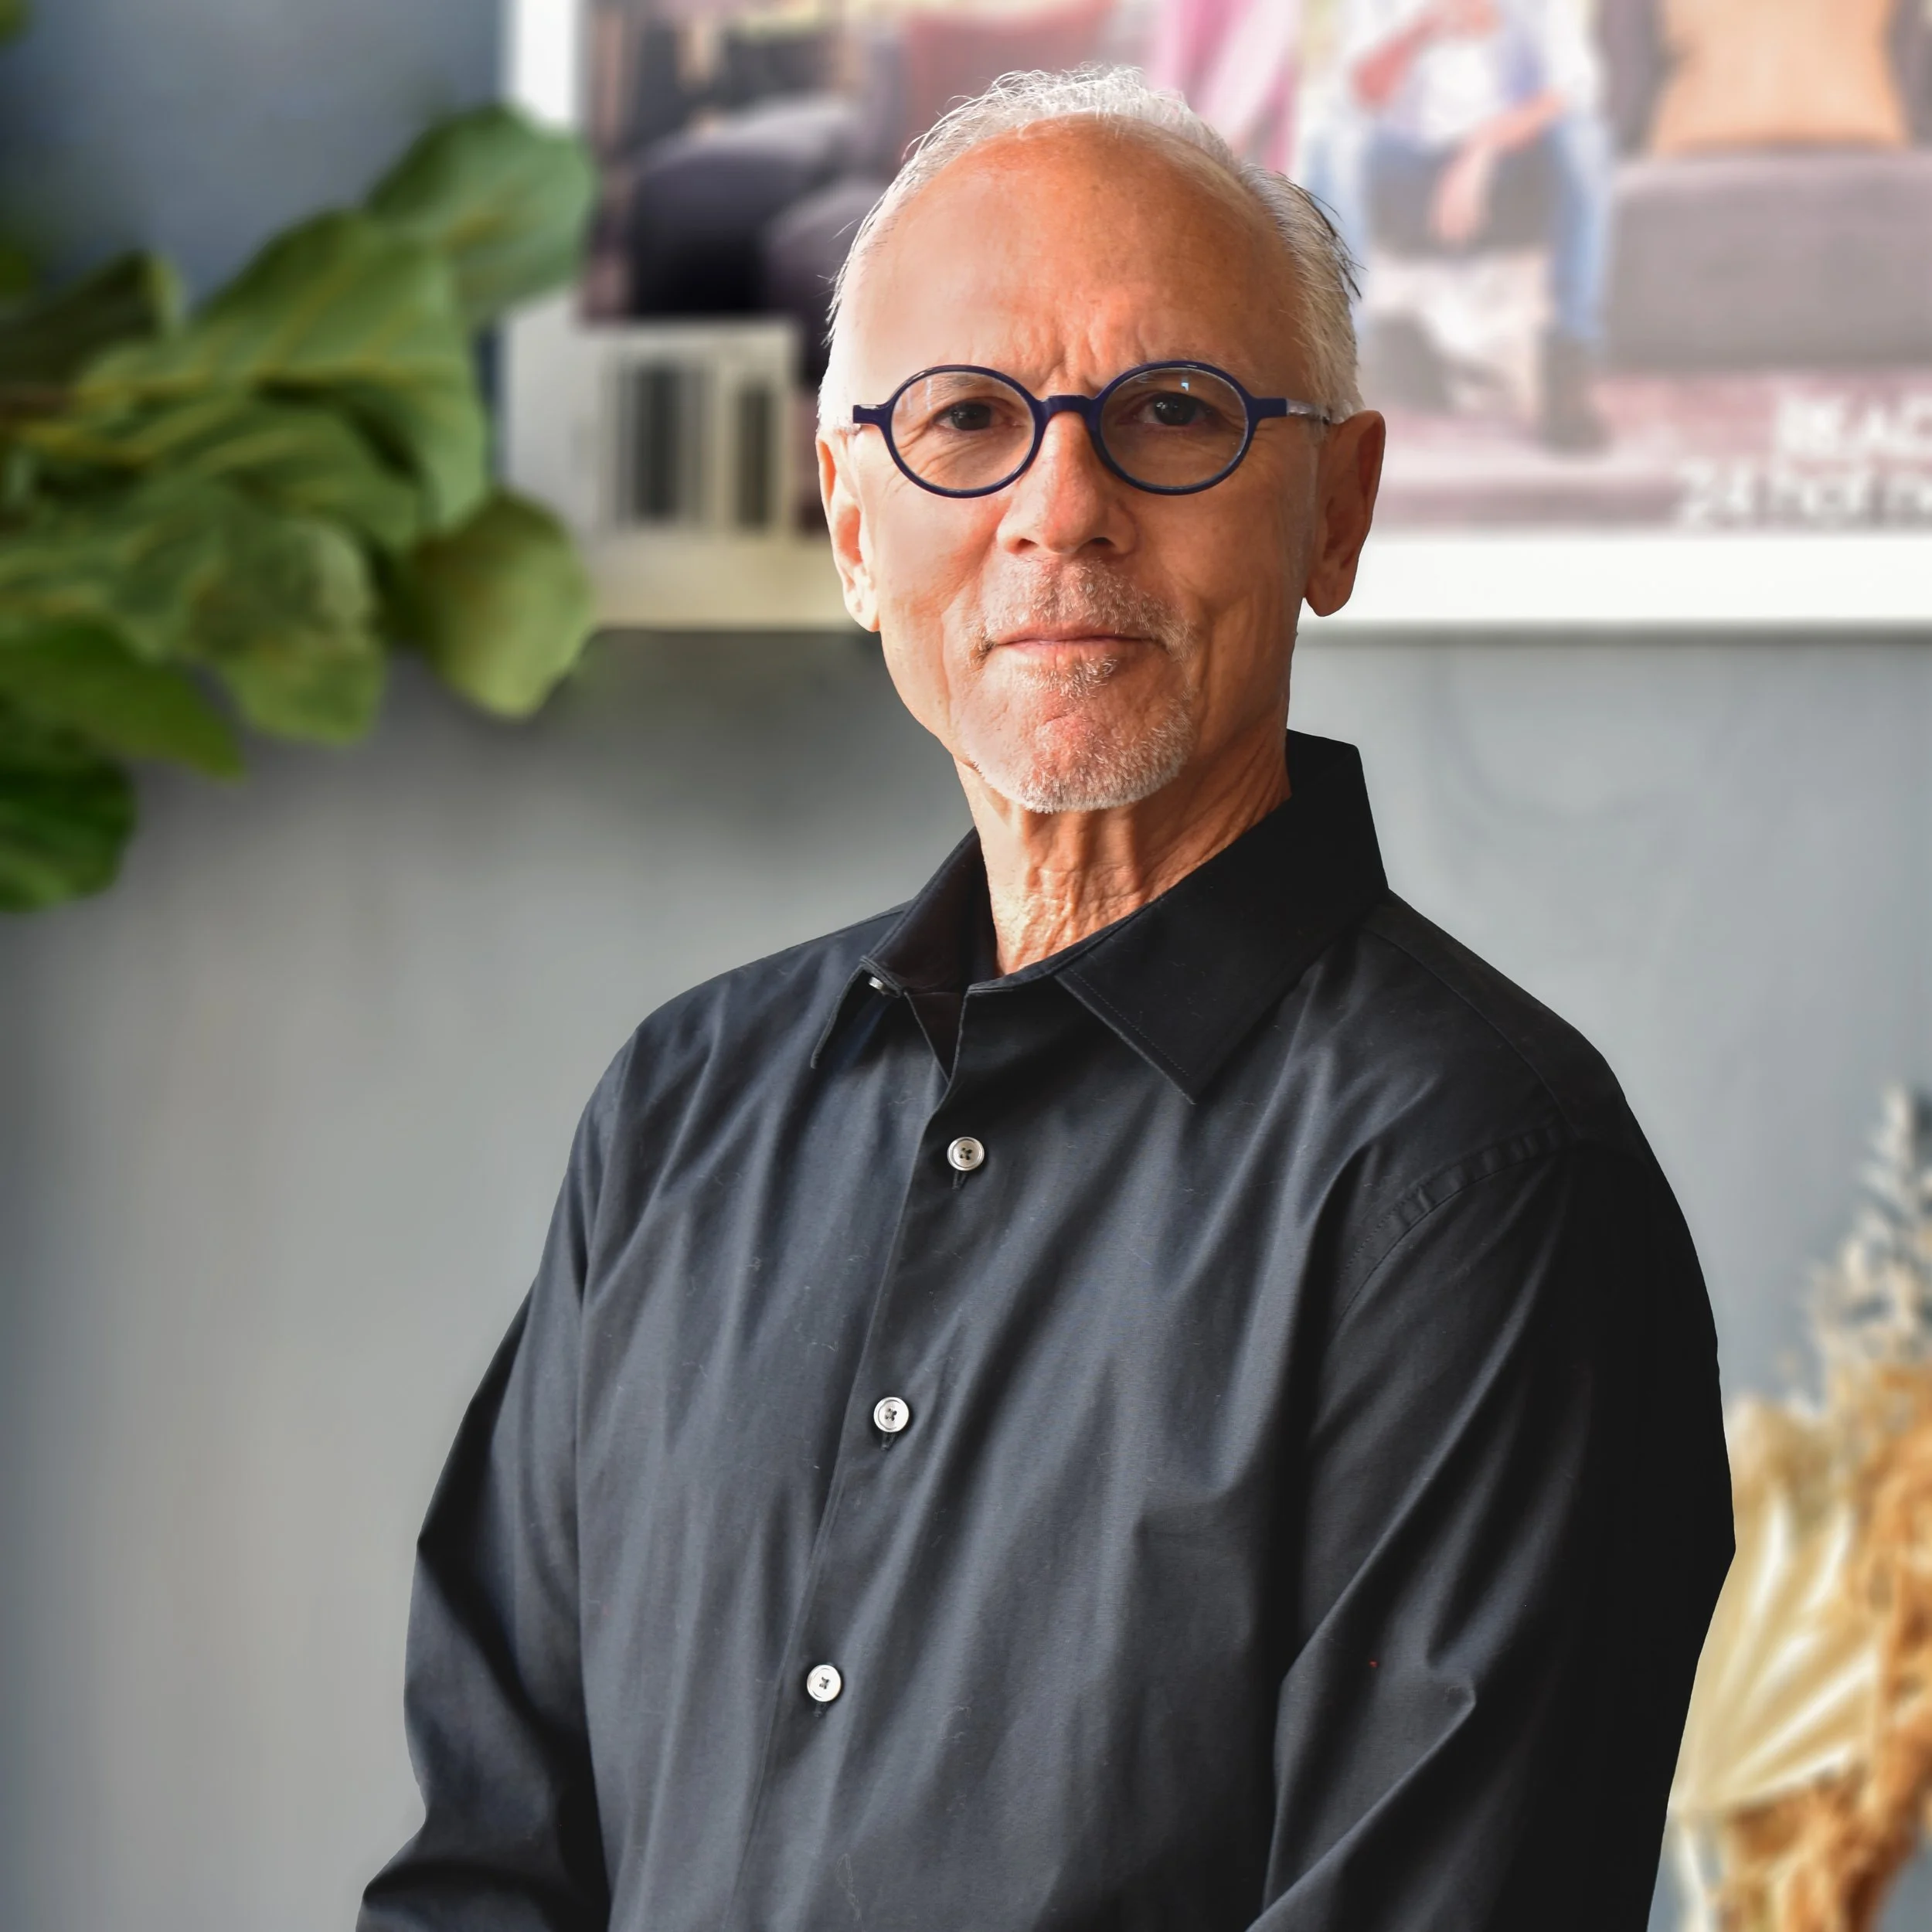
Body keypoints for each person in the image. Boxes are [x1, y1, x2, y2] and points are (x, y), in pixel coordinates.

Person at [360, 66, 1730, 1932]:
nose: (1058, 508)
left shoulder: (1486, 1181)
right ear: (852, 521)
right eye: (966, 421)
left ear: (1337, 508)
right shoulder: (680, 1112)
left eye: (1171, 412)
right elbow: (482, 1870)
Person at [1301, 0, 1614, 450]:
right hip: (1405, 172)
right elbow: (1359, 94)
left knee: (1585, 141)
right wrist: (1419, 31)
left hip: (1508, 171)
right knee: (1332, 144)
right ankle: (1342, 368)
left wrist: (1483, 147)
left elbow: (1571, 90)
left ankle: (1570, 365)